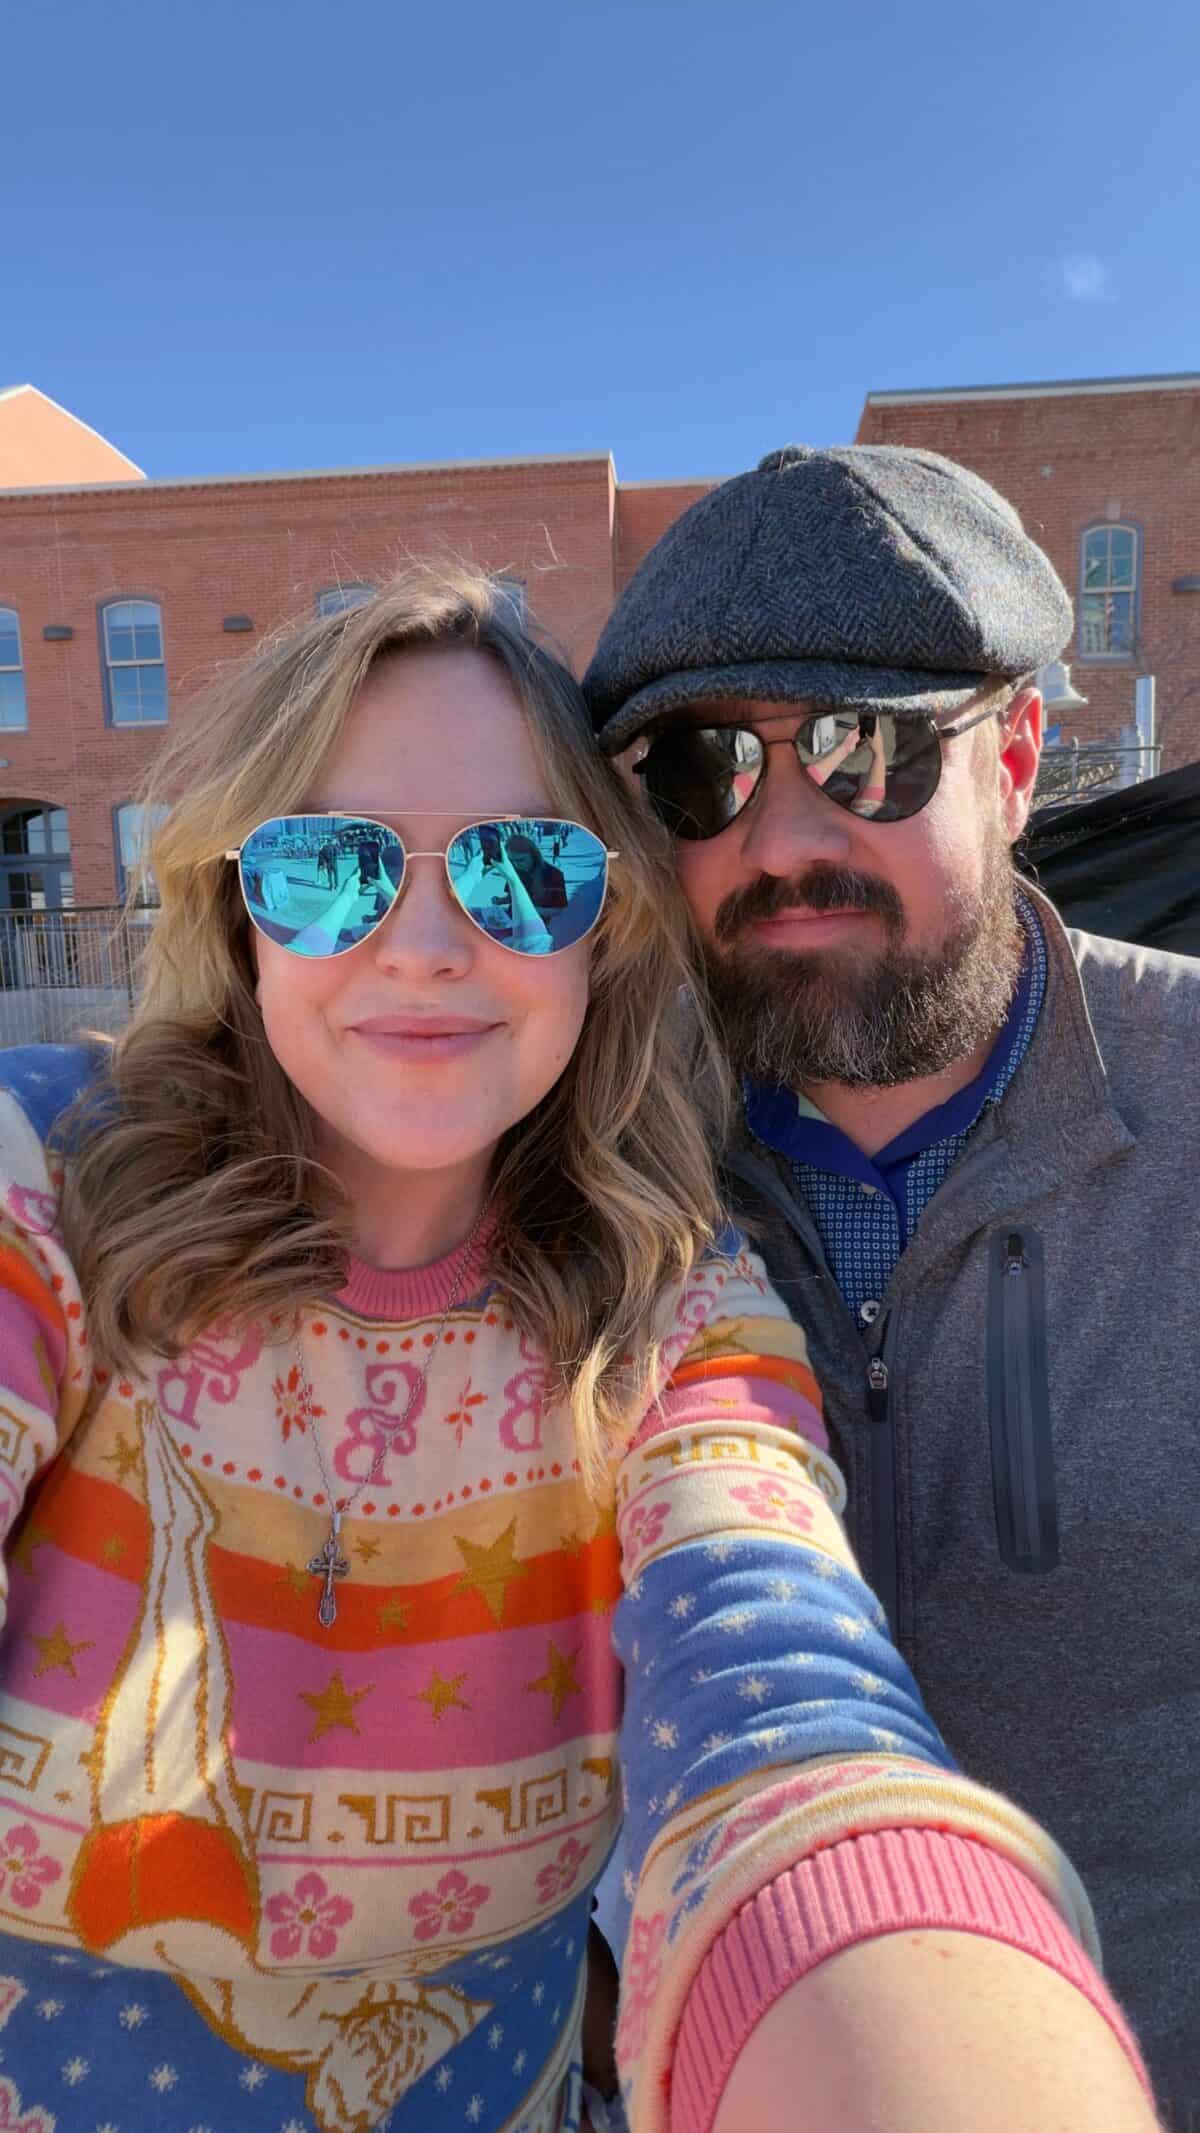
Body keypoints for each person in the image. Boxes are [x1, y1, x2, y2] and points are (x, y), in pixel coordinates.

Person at [0, 572, 1154, 2133]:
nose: (420, 944)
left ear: (600, 928)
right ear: (234, 906)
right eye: (328, 867)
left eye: (519, 872)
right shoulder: (45, 1177)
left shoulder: (670, 1309)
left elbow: (777, 1677)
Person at [584, 441, 1200, 2125]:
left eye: (865, 750)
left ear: (1012, 759)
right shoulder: (583, 1162)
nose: (782, 838)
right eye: (704, 767)